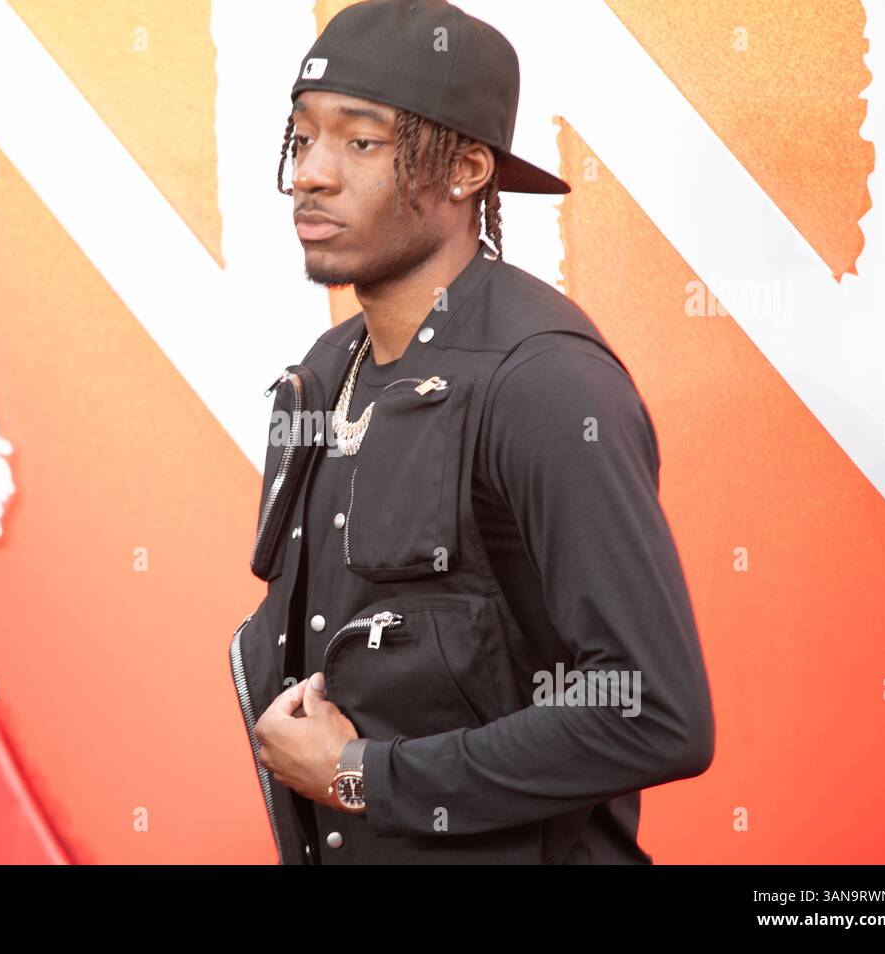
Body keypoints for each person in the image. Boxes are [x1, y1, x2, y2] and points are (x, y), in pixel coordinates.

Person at [228, 0, 714, 865]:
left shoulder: (543, 383)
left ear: (465, 170)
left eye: (361, 142)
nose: (312, 173)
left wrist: (363, 777)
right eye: (302, 138)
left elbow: (654, 713)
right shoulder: (324, 368)